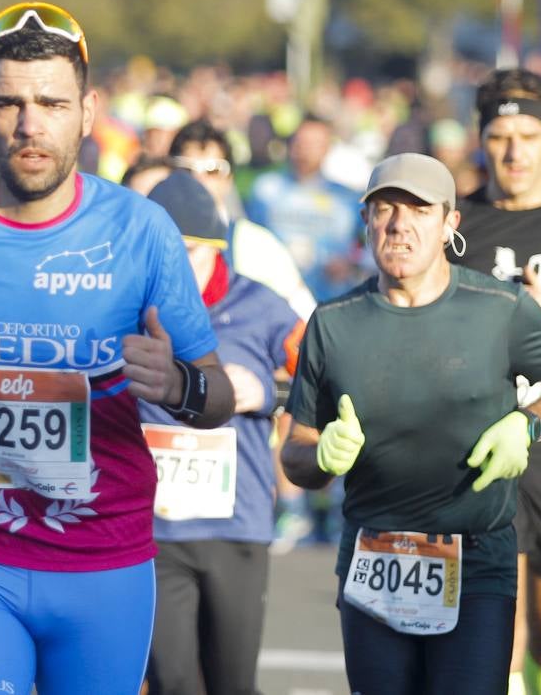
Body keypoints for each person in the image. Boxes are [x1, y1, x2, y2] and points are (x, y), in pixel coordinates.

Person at [0, 2, 233, 694]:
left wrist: (178, 385)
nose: (31, 126)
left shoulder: (142, 231)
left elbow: (218, 398)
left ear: (88, 111)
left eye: (52, 103)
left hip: (104, 569)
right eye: (11, 104)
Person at [281, 152, 541, 695]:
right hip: (374, 560)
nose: (400, 225)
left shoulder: (500, 307)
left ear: (449, 225)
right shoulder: (331, 324)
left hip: (476, 560)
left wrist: (528, 425)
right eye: (385, 209)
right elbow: (296, 451)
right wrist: (321, 453)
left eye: (420, 211)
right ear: (367, 221)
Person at [450, 68, 541, 695]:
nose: (514, 150)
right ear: (482, 140)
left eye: (528, 134)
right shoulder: (458, 226)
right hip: (483, 453)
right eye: (500, 135)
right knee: (494, 635)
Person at [140, 172, 303, 695]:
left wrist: (267, 393)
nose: (179, 267)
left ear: (217, 247)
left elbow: (324, 376)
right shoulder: (124, 308)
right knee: (174, 682)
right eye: (167, 253)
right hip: (156, 534)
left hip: (236, 525)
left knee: (233, 683)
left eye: (191, 251)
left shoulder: (261, 305)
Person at [169, 120, 316, 320]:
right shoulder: (149, 240)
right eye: (186, 170)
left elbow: (305, 324)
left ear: (228, 180)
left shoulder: (258, 246)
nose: (199, 180)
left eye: (212, 171)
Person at [245, 114, 365, 302]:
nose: (304, 150)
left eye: (314, 144)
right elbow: (248, 240)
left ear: (327, 149)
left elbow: (371, 245)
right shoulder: (265, 189)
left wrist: (351, 264)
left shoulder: (347, 199)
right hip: (277, 300)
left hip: (329, 301)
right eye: (300, 142)